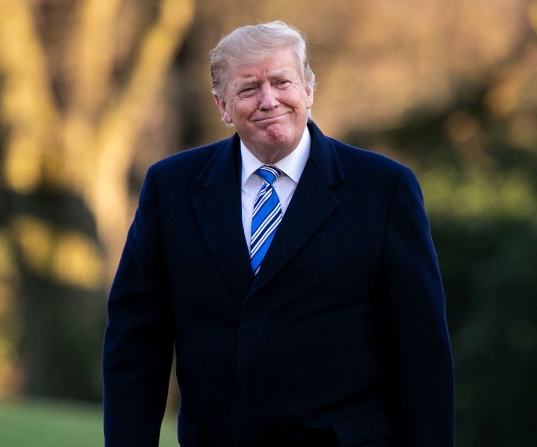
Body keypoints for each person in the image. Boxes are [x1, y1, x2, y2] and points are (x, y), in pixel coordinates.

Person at [103, 21, 454, 447]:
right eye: (248, 89)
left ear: (308, 89)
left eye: (281, 82)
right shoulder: (170, 188)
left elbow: (422, 351)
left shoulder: (383, 189)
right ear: (223, 106)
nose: (268, 100)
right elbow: (136, 341)